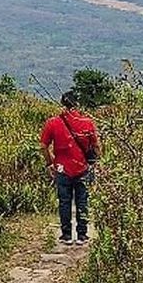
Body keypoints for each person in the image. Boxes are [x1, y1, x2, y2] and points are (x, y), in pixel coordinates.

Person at [40, 91, 102, 245]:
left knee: (64, 201)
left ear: (62, 104)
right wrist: (97, 162)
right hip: (83, 168)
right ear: (77, 104)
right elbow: (96, 145)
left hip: (62, 168)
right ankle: (82, 235)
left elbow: (43, 146)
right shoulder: (87, 122)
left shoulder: (53, 122)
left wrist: (50, 163)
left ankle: (66, 235)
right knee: (82, 201)